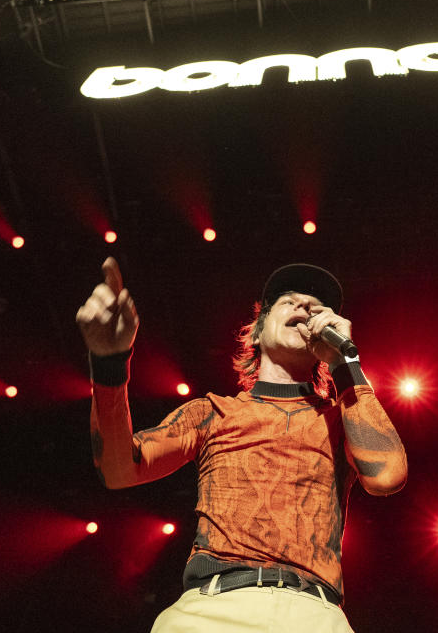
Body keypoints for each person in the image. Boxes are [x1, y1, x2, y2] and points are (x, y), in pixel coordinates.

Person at [77, 257, 408, 632]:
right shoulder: (212, 412)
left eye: (316, 307)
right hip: (212, 611)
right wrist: (108, 363)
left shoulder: (342, 417)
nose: (304, 307)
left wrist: (345, 361)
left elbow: (387, 477)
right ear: (255, 333)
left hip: (313, 615)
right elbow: (119, 470)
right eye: (288, 301)